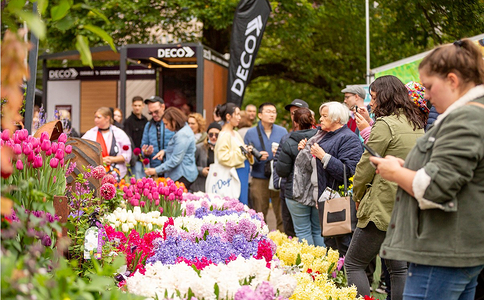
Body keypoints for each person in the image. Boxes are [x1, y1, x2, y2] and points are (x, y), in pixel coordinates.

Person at [372, 39, 484, 300]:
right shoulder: (471, 114)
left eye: (429, 87)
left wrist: (395, 172)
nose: (425, 96)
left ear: (453, 81)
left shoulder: (465, 118)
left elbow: (436, 186)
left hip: (443, 250)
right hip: (454, 249)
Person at [344, 75, 425, 299]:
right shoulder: (416, 123)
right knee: (399, 269)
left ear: (386, 97)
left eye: (374, 97)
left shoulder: (385, 124)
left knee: (353, 264)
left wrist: (357, 196)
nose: (371, 103)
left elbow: (365, 167)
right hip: (406, 204)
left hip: (381, 206)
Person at [298, 101, 363, 255]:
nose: (320, 119)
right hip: (325, 201)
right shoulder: (323, 136)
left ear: (336, 119)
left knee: (343, 248)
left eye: (324, 116)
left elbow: (349, 172)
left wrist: (323, 156)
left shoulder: (349, 139)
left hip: (339, 204)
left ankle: (350, 279)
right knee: (331, 248)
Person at [275, 108, 321, 245]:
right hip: (318, 191)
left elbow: (281, 171)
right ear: (313, 121)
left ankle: (309, 264)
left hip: (295, 192)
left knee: (302, 231)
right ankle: (324, 263)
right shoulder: (322, 138)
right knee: (318, 231)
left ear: (295, 122)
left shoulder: (289, 142)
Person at [244, 103, 288, 231]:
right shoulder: (250, 133)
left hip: (277, 176)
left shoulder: (282, 131)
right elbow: (246, 156)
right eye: (268, 111)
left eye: (274, 112)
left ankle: (283, 243)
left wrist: (279, 154)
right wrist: (256, 156)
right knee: (259, 213)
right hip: (259, 177)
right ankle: (260, 242)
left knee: (280, 213)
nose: (272, 114)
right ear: (260, 115)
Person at [273, 99, 310, 237]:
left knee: (305, 230)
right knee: (289, 227)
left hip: (308, 190)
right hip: (288, 189)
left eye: (296, 112)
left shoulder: (318, 137)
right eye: (292, 113)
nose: (294, 116)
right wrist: (279, 183)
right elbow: (278, 164)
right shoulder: (286, 138)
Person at [144, 107, 197, 189]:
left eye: (166, 124)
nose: (165, 127)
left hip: (182, 174)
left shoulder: (182, 135)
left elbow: (176, 160)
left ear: (174, 121)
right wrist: (165, 152)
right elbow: (180, 150)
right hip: (183, 173)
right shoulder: (183, 129)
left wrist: (155, 170)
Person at [214, 103, 254, 205]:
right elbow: (223, 158)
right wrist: (242, 153)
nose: (239, 117)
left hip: (242, 173)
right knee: (237, 204)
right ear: (228, 116)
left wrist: (247, 152)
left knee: (242, 203)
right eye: (237, 114)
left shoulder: (235, 133)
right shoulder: (224, 135)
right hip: (234, 174)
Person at [82, 107, 132, 180]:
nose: (95, 120)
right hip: (96, 175)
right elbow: (83, 151)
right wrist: (99, 159)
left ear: (107, 118)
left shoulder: (120, 133)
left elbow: (127, 155)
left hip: (117, 174)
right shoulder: (90, 134)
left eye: (98, 117)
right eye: (95, 117)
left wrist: (112, 159)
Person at [140, 96, 174, 173]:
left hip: (171, 168)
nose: (154, 115)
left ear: (163, 107)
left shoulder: (173, 123)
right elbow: (144, 145)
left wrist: (165, 151)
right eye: (151, 113)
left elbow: (179, 146)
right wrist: (145, 152)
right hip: (155, 168)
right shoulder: (148, 126)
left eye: (156, 111)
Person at [191, 122, 222, 193]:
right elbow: (190, 165)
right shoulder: (199, 147)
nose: (213, 137)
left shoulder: (223, 149)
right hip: (202, 183)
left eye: (217, 135)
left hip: (218, 183)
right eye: (211, 135)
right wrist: (201, 171)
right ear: (207, 135)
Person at [124, 96, 149, 179]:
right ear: (132, 106)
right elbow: (128, 140)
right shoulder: (128, 122)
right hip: (135, 158)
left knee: (147, 181)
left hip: (145, 157)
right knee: (136, 181)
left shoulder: (146, 121)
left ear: (143, 106)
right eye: (135, 105)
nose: (137, 108)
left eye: (139, 105)